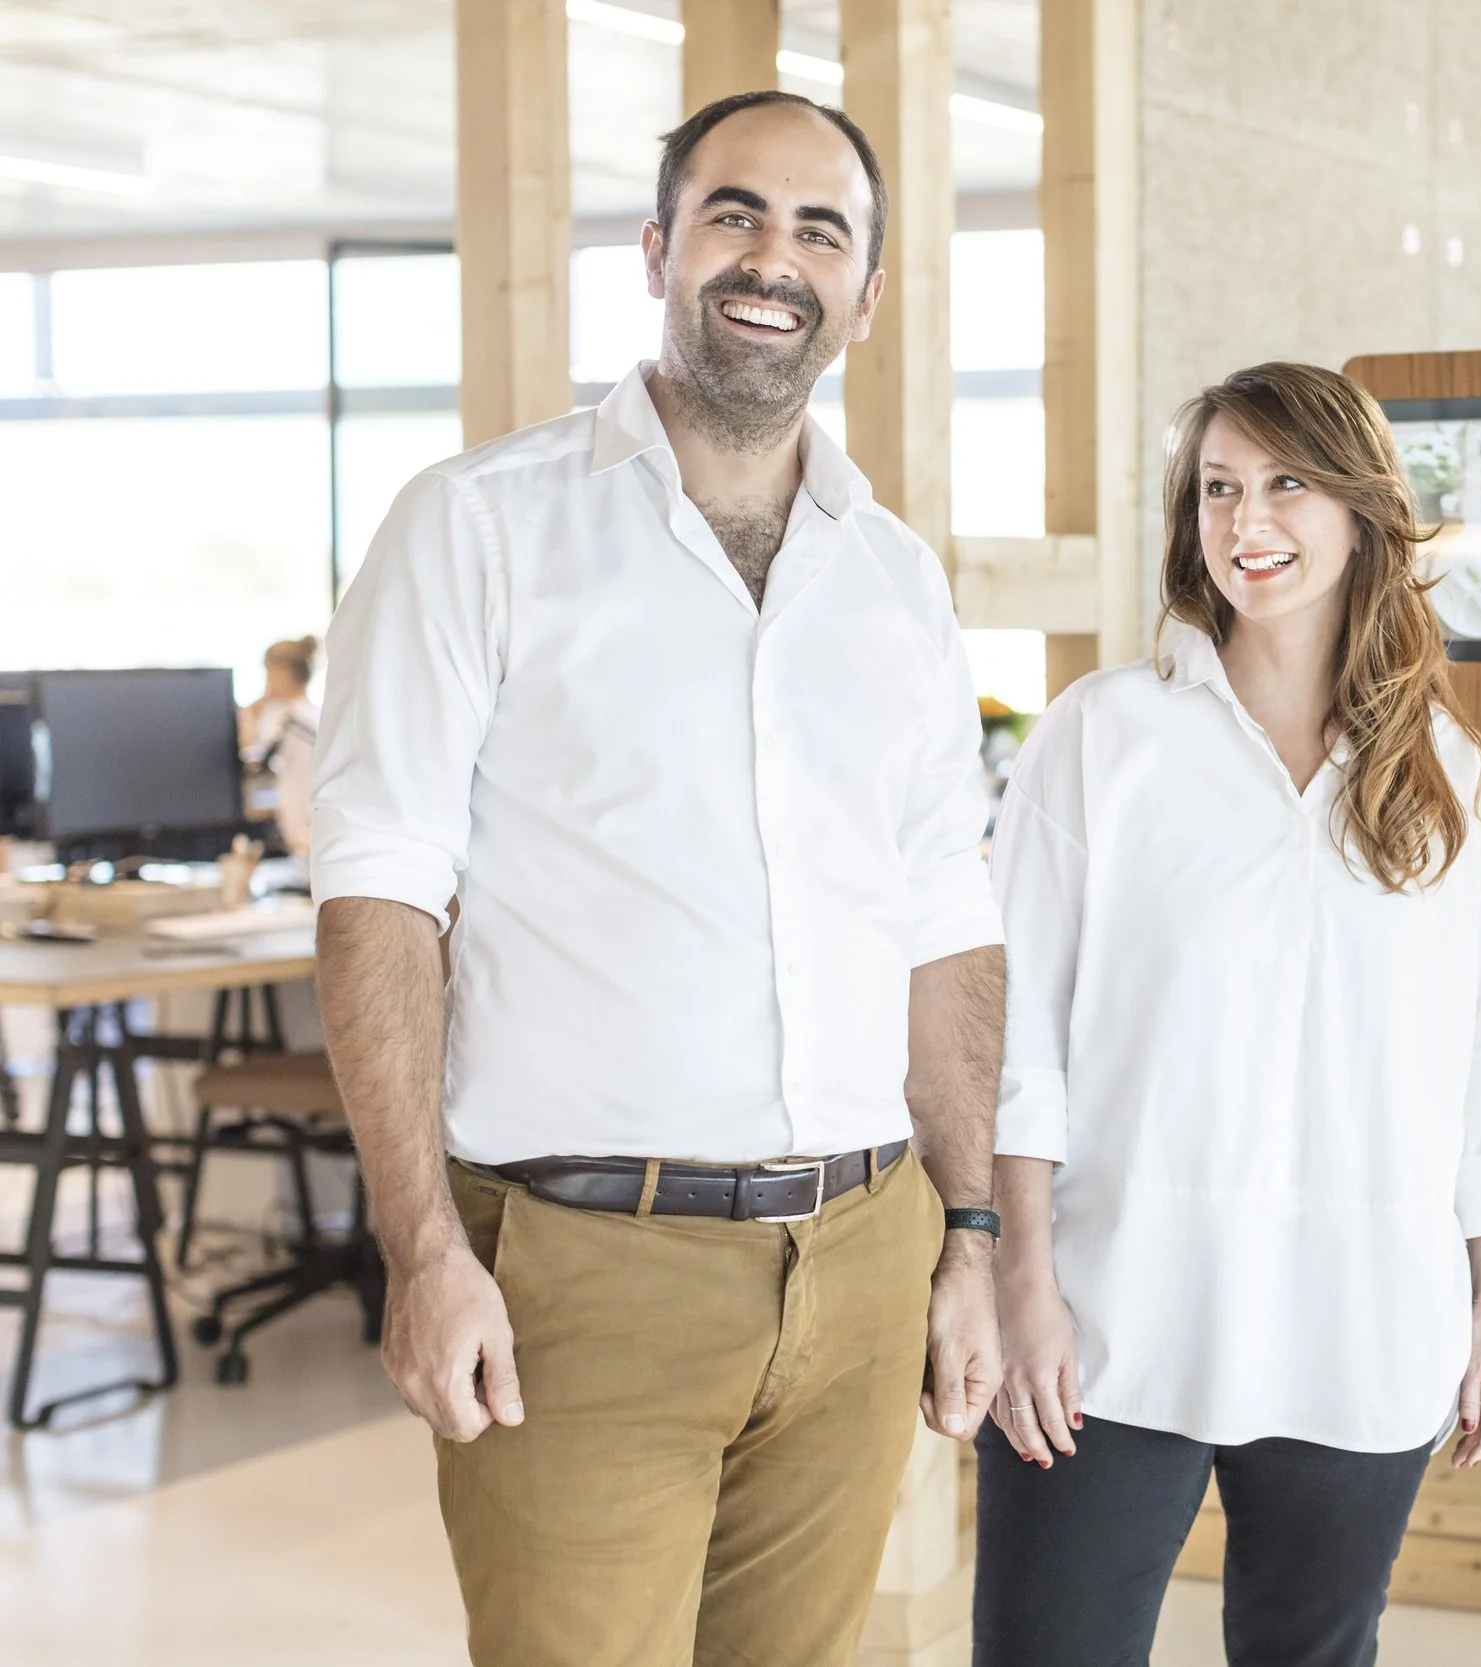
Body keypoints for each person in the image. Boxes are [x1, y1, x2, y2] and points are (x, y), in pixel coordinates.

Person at [310, 90, 1006, 1667]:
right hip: (580, 1271)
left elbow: (945, 923)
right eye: (736, 214)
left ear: (867, 296)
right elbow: (379, 901)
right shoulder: (477, 528)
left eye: (822, 230)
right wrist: (422, 1248)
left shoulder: (893, 578)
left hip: (862, 1255)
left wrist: (969, 1232)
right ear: (658, 251)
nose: (775, 257)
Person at [974, 362, 1481, 1666]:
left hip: (1363, 1310)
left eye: (1287, 484)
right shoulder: (1101, 734)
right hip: (1112, 1307)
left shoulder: (1448, 775)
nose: (1249, 521)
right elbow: (1014, 1035)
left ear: (1360, 510)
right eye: (1219, 489)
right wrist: (1018, 1277)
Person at [240, 635, 319, 857]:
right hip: (306, 812)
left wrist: (250, 716)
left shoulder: (287, 718)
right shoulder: (314, 714)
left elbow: (252, 760)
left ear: (283, 671)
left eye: (268, 672)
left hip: (302, 813)